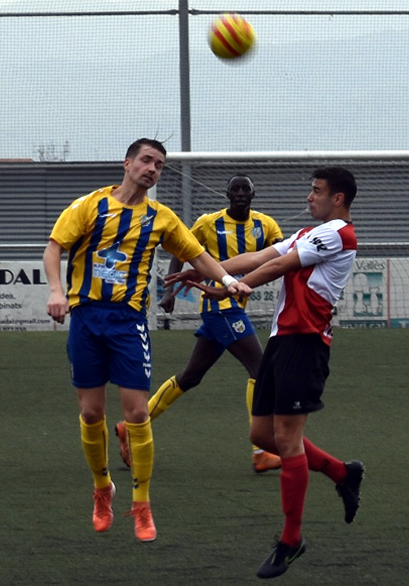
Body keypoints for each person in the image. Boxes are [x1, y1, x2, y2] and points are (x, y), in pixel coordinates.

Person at [43, 138, 251, 543]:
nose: (153, 168)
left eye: (159, 164)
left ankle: (141, 503)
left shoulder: (162, 218)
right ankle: (102, 488)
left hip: (129, 321)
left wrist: (227, 279)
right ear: (127, 163)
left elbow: (196, 254)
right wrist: (55, 290)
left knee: (137, 414)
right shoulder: (89, 206)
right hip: (86, 317)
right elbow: (54, 250)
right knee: (90, 413)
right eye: (146, 160)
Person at [165, 167, 364, 579]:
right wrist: (210, 271)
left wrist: (233, 289)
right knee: (262, 436)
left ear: (338, 199)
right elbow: (259, 257)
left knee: (287, 442)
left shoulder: (338, 233)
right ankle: (343, 473)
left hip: (306, 344)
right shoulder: (311, 231)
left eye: (317, 191)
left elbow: (277, 268)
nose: (310, 197)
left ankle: (291, 541)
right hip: (282, 341)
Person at [114, 174, 284, 474]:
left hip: (230, 309)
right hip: (220, 307)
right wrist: (168, 291)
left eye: (246, 189)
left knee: (190, 377)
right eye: (235, 189)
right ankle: (262, 451)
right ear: (227, 194)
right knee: (261, 369)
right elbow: (181, 250)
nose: (241, 194)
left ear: (253, 194)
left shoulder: (266, 225)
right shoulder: (208, 223)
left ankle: (131, 426)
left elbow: (283, 256)